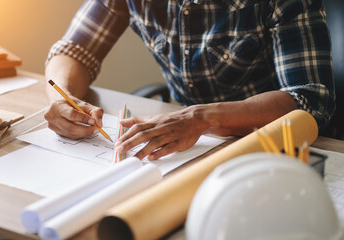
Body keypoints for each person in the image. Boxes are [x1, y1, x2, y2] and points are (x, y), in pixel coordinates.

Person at [44, 0, 335, 161]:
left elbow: (308, 99)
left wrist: (201, 118)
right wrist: (61, 99)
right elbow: (74, 51)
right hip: (185, 148)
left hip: (263, 145)